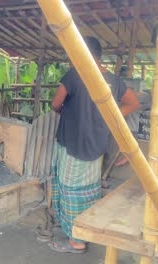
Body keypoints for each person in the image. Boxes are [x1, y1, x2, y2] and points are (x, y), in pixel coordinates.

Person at [49, 37, 140, 254]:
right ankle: (86, 228)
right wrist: (112, 116)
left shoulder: (74, 76)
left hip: (72, 142)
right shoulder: (114, 81)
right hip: (96, 144)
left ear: (82, 53)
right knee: (88, 189)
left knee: (70, 189)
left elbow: (55, 104)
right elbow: (133, 103)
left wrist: (69, 111)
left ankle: (76, 241)